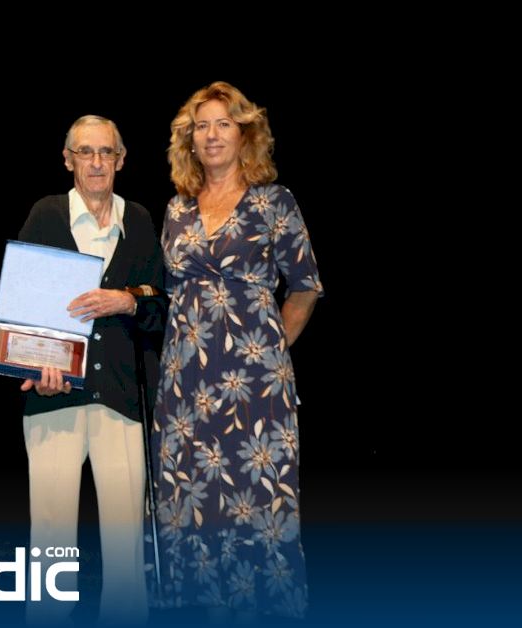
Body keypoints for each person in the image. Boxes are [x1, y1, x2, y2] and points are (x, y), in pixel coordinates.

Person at [150, 81, 322, 620]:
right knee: (188, 500)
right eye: (201, 126)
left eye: (223, 123)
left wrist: (266, 352)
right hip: (185, 386)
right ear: (189, 140)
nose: (212, 134)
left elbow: (305, 288)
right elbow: (167, 290)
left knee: (259, 504)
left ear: (245, 134)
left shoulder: (275, 201)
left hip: (256, 388)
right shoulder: (177, 209)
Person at [17, 115, 162, 625]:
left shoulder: (139, 219)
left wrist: (127, 300)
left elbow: (161, 304)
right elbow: (20, 306)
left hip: (121, 399)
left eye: (106, 152)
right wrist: (36, 364)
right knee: (50, 543)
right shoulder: (46, 215)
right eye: (85, 152)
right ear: (68, 160)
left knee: (125, 548)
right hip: (53, 398)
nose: (96, 162)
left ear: (121, 160)